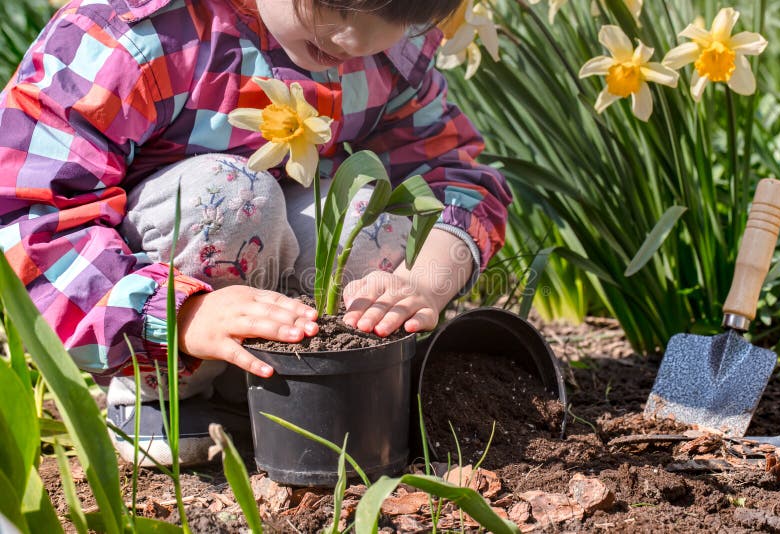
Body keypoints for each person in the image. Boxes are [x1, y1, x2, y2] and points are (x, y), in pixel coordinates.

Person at [0, 0, 511, 465]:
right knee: (231, 195)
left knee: (365, 216)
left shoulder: (388, 45)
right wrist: (180, 316)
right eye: (333, 2)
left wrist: (424, 282)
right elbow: (29, 213)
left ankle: (279, 378)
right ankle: (163, 390)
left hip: (274, 259)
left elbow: (452, 173)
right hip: (160, 284)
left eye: (400, 18)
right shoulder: (137, 37)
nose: (352, 41)